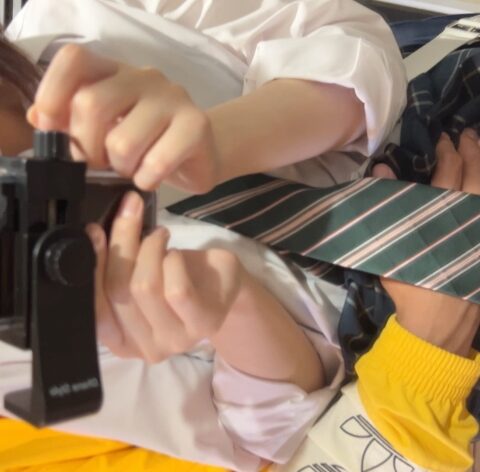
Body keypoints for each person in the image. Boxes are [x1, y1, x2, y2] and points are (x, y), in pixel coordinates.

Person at [0, 1, 478, 471]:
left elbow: (355, 40)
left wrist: (225, 138)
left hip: (445, 131)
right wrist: (234, 306)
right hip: (418, 371)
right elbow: (255, 438)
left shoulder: (83, 16)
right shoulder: (12, 356)